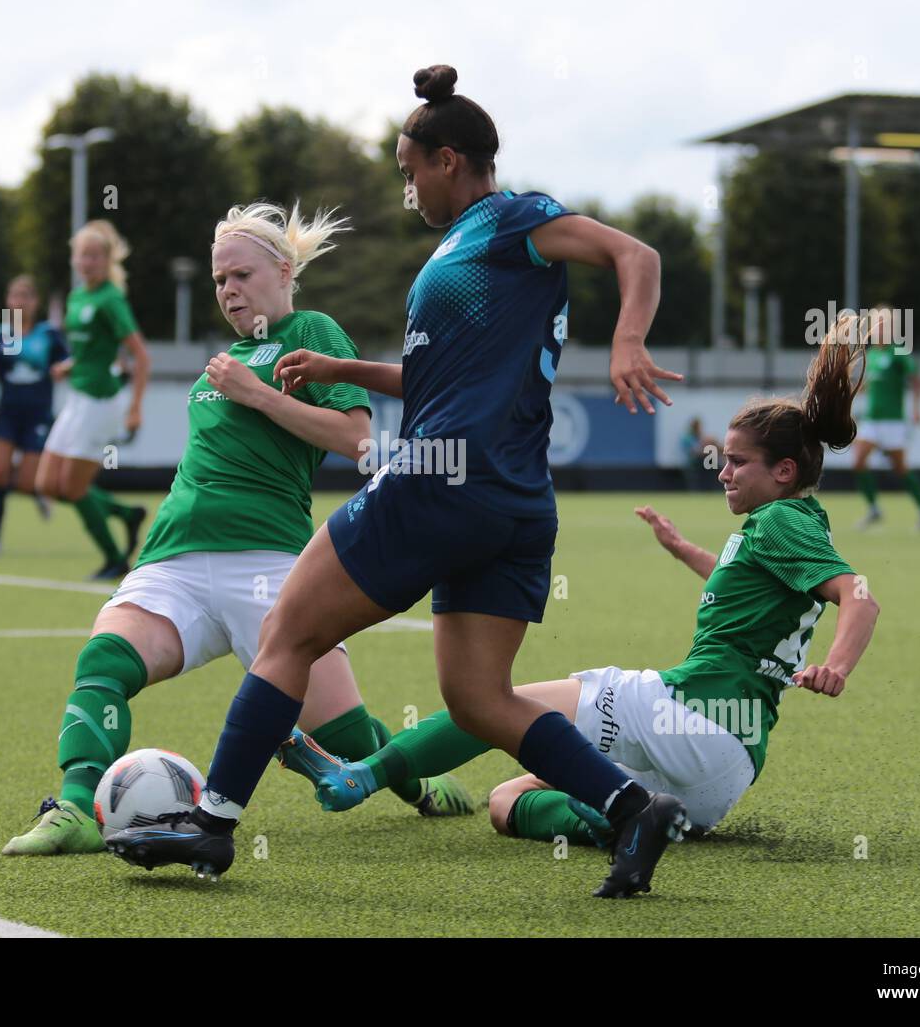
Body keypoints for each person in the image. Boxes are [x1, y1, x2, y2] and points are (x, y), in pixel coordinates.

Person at [105, 65, 685, 899]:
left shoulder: (512, 217)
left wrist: (629, 340)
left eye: (409, 170)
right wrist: (346, 366)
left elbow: (637, 254)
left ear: (450, 159)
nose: (406, 188)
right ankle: (632, 806)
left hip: (437, 483)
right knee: (480, 697)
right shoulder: (466, 251)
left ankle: (215, 821)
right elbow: (444, 378)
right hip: (513, 502)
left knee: (288, 635)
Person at [278, 322, 880, 861]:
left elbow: (858, 594)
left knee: (484, 703)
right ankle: (613, 824)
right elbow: (758, 591)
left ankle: (361, 776)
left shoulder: (778, 522)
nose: (723, 471)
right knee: (507, 801)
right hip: (726, 774)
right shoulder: (798, 525)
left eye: (738, 462)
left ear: (784, 471)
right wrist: (687, 552)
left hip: (688, 715)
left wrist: (838, 666)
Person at [2, 201, 472, 857]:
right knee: (103, 661)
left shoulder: (313, 331)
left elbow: (359, 441)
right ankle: (77, 809)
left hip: (272, 565)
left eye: (241, 275)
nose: (228, 289)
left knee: (346, 732)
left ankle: (416, 780)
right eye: (220, 279)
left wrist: (259, 395)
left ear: (283, 272)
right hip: (175, 560)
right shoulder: (223, 359)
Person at [34, 220, 150, 580]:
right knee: (47, 486)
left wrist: (135, 408)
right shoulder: (77, 296)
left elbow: (140, 357)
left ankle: (116, 559)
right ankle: (126, 514)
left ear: (107, 260)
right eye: (83, 255)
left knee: (72, 488)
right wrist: (69, 366)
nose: (88, 262)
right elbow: (92, 350)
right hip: (77, 398)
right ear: (74, 259)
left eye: (95, 256)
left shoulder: (111, 299)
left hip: (102, 403)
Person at [0, 275, 66, 556]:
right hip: (7, 413)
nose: (19, 302)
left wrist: (67, 369)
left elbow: (68, 363)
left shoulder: (48, 334)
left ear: (35, 302)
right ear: (7, 300)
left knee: (27, 482)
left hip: (38, 414)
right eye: (15, 296)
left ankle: (39, 494)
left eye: (25, 296)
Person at [853, 306, 920, 531]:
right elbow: (868, 385)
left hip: (893, 421)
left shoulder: (898, 351)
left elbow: (916, 380)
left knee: (900, 469)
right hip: (872, 420)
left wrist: (917, 409)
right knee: (858, 462)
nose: (879, 329)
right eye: (876, 325)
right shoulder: (873, 354)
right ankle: (874, 509)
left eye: (884, 325)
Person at [680, 416, 719, 491]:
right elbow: (693, 452)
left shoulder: (700, 436)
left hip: (702, 462)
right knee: (695, 482)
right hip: (693, 463)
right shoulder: (687, 437)